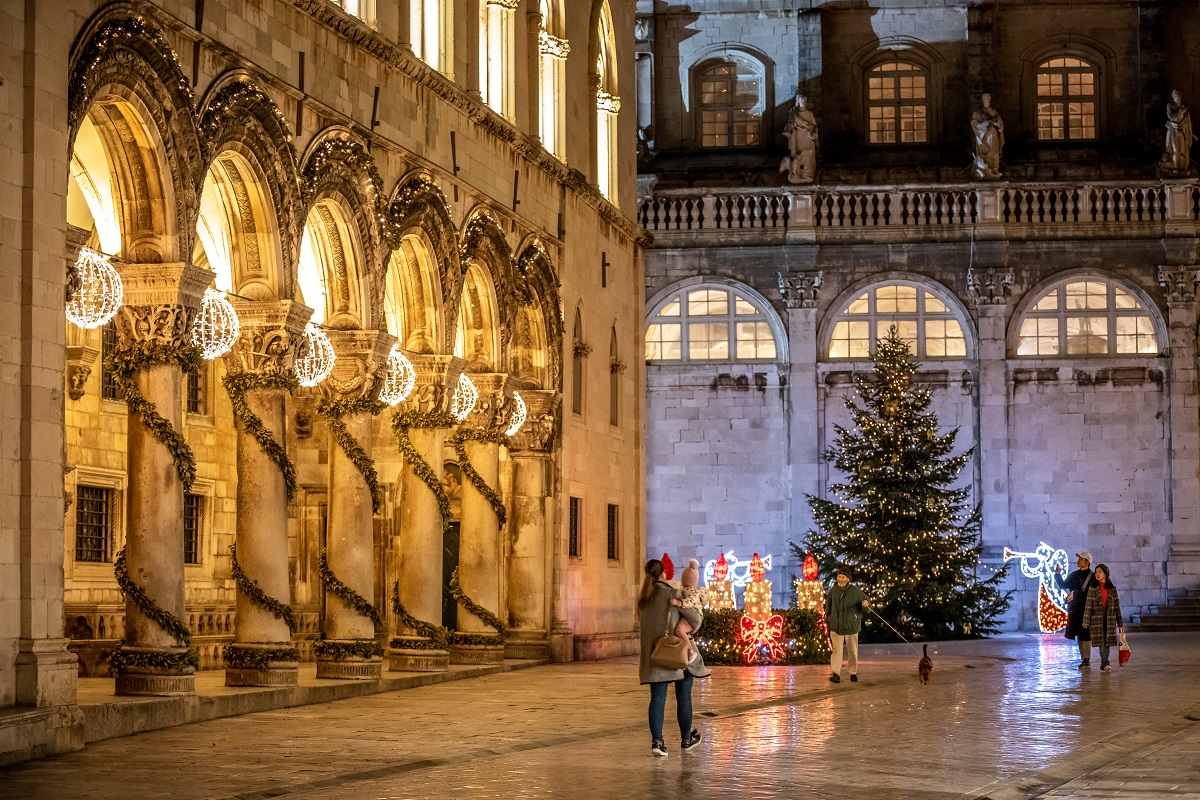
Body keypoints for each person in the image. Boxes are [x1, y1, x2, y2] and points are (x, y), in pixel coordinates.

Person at [638, 559, 702, 757]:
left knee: (657, 698)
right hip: (674, 652)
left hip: (653, 655)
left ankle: (657, 741)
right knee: (684, 695)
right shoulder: (671, 593)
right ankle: (686, 739)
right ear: (664, 574)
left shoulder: (643, 598)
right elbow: (695, 618)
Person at [823, 569, 870, 683]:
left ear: (848, 579)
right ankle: (836, 673)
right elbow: (828, 607)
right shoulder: (833, 591)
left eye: (843, 577)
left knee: (852, 651)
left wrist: (865, 604)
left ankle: (853, 673)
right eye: (839, 577)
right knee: (836, 651)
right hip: (836, 626)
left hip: (851, 625)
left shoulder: (854, 591)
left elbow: (866, 602)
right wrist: (829, 619)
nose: (840, 579)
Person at [1054, 551, 1095, 668]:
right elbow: (1063, 585)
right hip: (1075, 609)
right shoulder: (1074, 575)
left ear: (1087, 562)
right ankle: (1084, 659)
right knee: (1079, 634)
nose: (1078, 561)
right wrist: (1058, 574)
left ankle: (1086, 659)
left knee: (1085, 634)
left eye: (1081, 559)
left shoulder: (1092, 577)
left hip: (1087, 609)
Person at [1081, 563, 1124, 672]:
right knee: (1102, 642)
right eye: (1096, 572)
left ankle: (1104, 663)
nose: (1097, 574)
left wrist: (1120, 624)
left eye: (1100, 572)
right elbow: (1088, 605)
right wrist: (1085, 621)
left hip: (1109, 619)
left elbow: (1117, 607)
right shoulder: (1093, 587)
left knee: (1107, 642)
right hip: (1096, 619)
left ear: (1105, 573)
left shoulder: (1112, 589)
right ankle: (1105, 663)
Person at [780, 93, 818, 184]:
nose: (804, 101)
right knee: (797, 156)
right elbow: (789, 125)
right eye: (802, 100)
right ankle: (796, 173)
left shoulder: (809, 113)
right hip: (797, 138)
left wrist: (813, 132)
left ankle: (807, 174)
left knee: (808, 155)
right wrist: (789, 129)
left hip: (807, 138)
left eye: (805, 100)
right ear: (798, 101)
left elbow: (815, 126)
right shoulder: (793, 113)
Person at [970, 92, 1005, 179]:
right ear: (982, 100)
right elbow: (975, 124)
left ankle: (994, 169)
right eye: (985, 99)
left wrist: (998, 124)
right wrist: (986, 123)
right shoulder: (978, 113)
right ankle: (985, 169)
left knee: (995, 152)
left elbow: (1000, 123)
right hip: (984, 135)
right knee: (985, 153)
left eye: (988, 99)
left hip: (993, 135)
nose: (987, 101)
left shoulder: (994, 112)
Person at [1161, 89, 1194, 173]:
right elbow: (1171, 117)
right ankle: (1175, 165)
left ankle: (1182, 166)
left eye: (1178, 94)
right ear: (1173, 96)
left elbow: (1187, 121)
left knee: (1183, 149)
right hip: (1174, 130)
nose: (1177, 96)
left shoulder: (1184, 106)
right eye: (1175, 94)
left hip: (1183, 131)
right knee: (1175, 148)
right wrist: (1181, 112)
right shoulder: (1170, 105)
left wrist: (1190, 132)